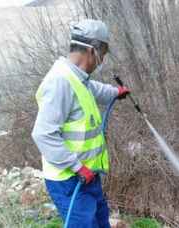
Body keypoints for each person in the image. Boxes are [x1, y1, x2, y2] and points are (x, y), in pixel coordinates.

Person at [31, 19, 130, 227]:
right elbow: (42, 134)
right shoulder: (60, 82)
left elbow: (93, 89)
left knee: (101, 221)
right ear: (93, 50)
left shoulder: (77, 78)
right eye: (102, 53)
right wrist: (77, 167)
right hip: (69, 179)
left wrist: (116, 93)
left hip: (87, 175)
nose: (102, 59)